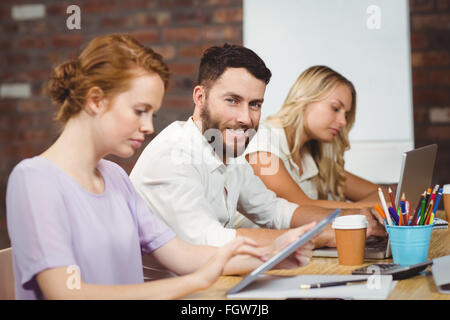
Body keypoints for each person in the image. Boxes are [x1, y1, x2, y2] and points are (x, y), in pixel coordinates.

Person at [5, 34, 316, 300]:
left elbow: (181, 253)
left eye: (151, 113)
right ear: (96, 101)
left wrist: (275, 254)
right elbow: (68, 293)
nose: (149, 126)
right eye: (140, 111)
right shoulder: (34, 180)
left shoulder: (114, 177)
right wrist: (194, 282)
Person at [130, 45, 385, 262]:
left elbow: (275, 211)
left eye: (255, 104)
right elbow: (211, 243)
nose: (245, 118)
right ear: (200, 97)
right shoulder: (173, 156)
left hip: (213, 286)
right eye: (232, 100)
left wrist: (350, 218)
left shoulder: (229, 153)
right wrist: (326, 233)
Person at [242, 65, 385, 212]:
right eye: (335, 108)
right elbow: (299, 206)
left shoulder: (313, 157)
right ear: (304, 99)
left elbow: (384, 195)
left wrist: (376, 205)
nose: (343, 121)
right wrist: (367, 209)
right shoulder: (261, 138)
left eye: (346, 114)